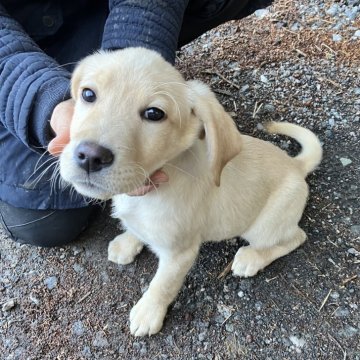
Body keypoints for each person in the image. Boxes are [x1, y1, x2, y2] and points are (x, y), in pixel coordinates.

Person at [0, 0, 273, 247]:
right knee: (44, 223)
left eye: (153, 113)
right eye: (89, 94)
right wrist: (47, 103)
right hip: (13, 39)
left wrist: (131, 56)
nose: (93, 151)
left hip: (101, 12)